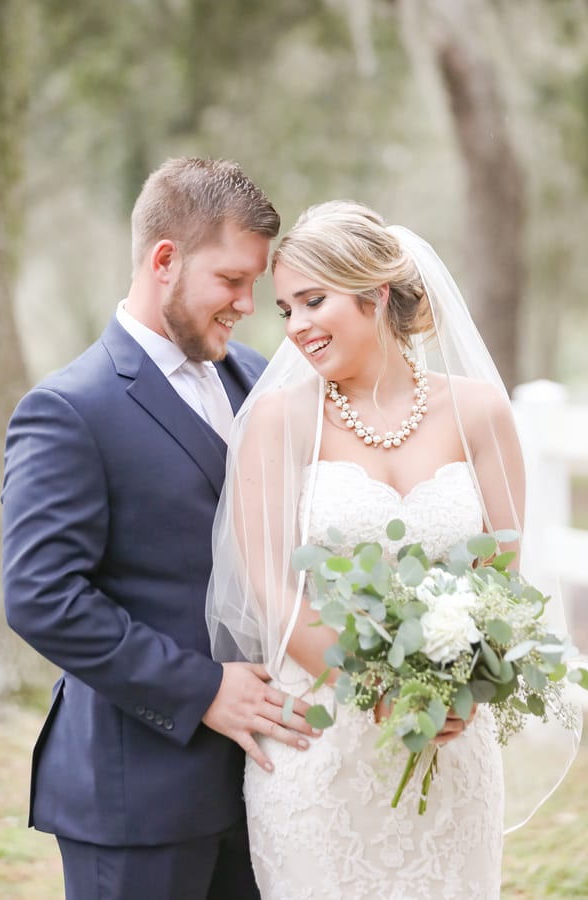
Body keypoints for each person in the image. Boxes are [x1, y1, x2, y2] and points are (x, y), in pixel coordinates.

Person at [207, 200, 580, 899]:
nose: (297, 327)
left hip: (450, 742)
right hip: (318, 748)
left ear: (375, 292)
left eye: (314, 301)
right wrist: (380, 691)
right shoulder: (280, 421)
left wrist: (461, 692)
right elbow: (269, 583)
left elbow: (503, 584)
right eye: (286, 310)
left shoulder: (479, 412)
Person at [1, 157, 317, 900]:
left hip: (264, 788)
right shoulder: (69, 410)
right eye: (232, 281)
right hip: (136, 796)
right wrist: (201, 689)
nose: (248, 302)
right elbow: (42, 597)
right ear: (165, 261)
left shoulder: (254, 376)